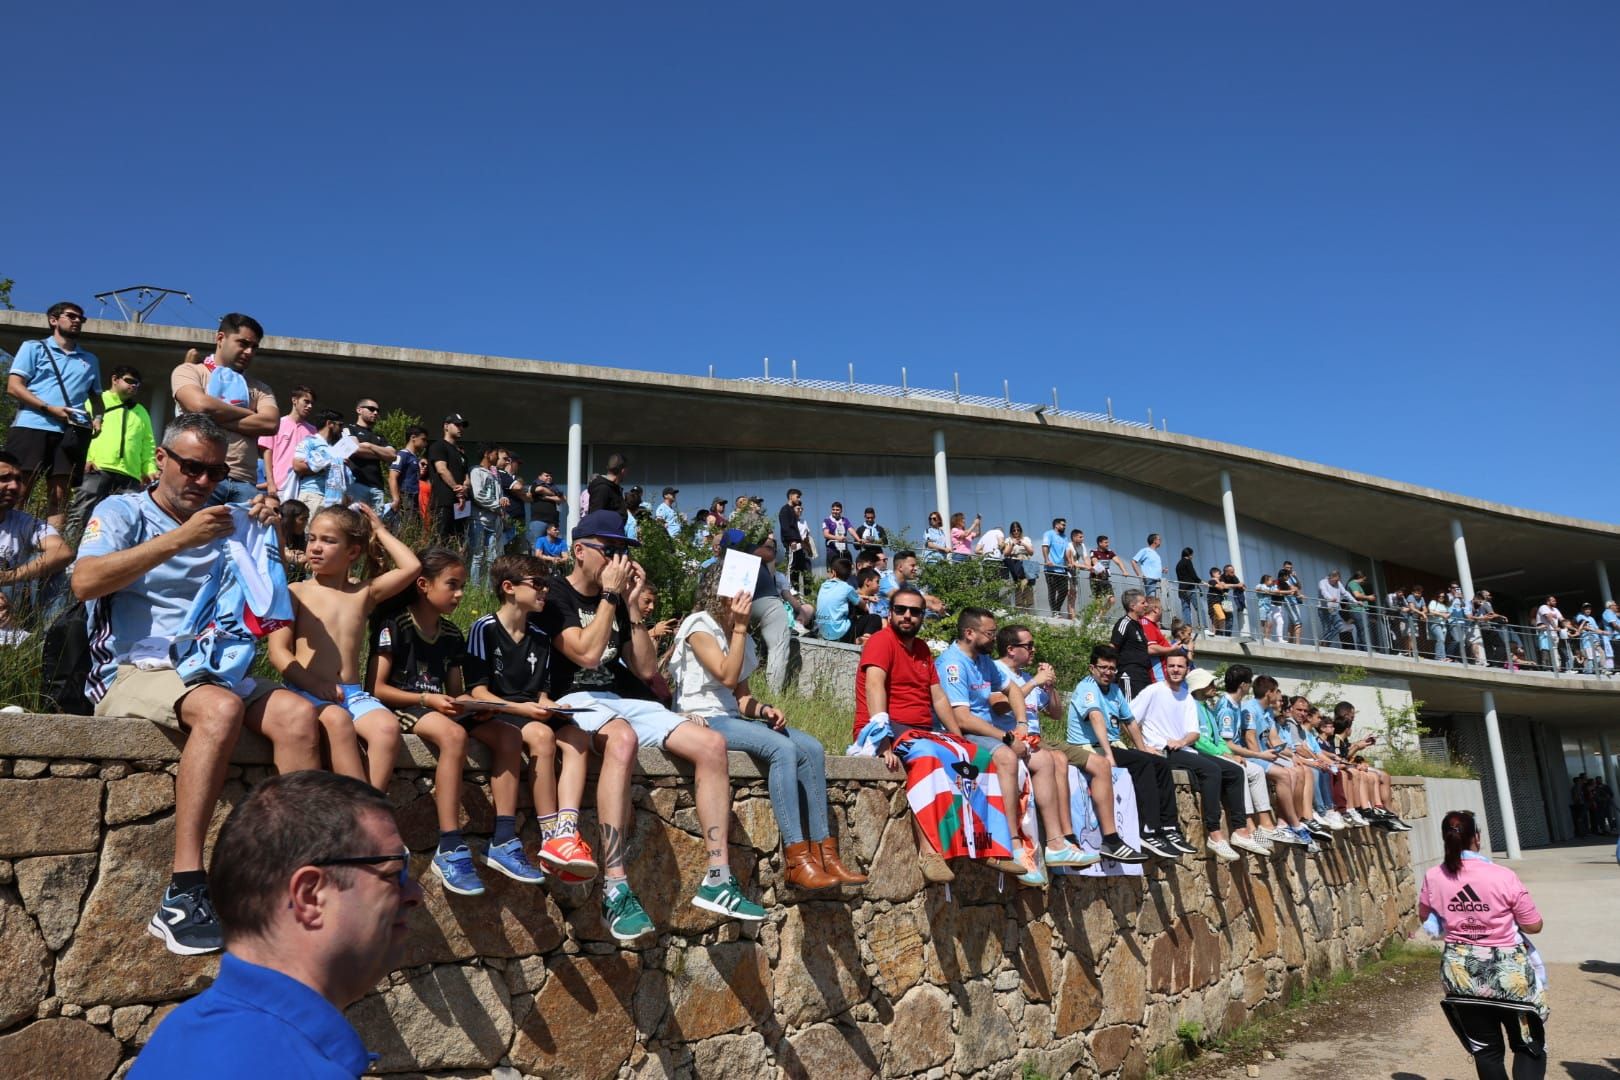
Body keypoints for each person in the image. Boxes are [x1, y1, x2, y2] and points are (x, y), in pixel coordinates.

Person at [75, 413, 322, 954]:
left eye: (214, 473)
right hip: (134, 669)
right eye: (191, 467)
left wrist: (269, 525)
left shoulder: (228, 516)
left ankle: (294, 876)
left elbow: (262, 591)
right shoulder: (123, 511)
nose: (203, 482)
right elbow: (84, 582)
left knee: (300, 714)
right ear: (160, 460)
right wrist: (179, 540)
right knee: (219, 710)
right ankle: (183, 889)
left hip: (211, 667)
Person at [539, 509, 764, 938]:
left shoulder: (617, 600)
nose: (618, 560)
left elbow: (644, 668)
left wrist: (630, 606)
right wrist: (608, 597)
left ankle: (718, 877)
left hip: (619, 699)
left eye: (623, 551)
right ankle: (615, 886)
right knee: (622, 739)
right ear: (579, 550)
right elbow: (585, 654)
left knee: (711, 744)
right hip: (570, 698)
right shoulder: (555, 595)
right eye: (610, 551)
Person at [130, 771, 423, 1079]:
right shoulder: (299, 1069)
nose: (415, 894)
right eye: (394, 873)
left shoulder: (180, 1034)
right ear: (311, 896)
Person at [672, 567, 865, 891]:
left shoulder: (741, 636)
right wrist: (741, 627)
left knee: (812, 748)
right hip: (703, 718)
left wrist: (763, 710)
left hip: (731, 716)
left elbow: (741, 696)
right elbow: (727, 676)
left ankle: (826, 854)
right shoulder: (699, 625)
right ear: (719, 593)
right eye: (737, 592)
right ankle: (796, 860)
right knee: (783, 749)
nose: (744, 600)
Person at [465, 554, 600, 887]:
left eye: (547, 584)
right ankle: (550, 834)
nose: (545, 591)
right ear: (508, 588)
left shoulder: (540, 636)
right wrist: (526, 710)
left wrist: (551, 705)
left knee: (578, 736)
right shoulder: (484, 629)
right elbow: (478, 692)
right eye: (537, 583)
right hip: (496, 714)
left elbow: (540, 692)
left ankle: (568, 827)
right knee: (541, 735)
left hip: (529, 712)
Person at [936, 608, 1094, 884]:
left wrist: (1021, 725)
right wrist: (1007, 738)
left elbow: (1011, 691)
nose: (994, 638)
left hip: (991, 730)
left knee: (1044, 759)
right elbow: (961, 718)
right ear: (969, 633)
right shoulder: (952, 663)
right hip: (965, 732)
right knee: (1008, 758)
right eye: (989, 633)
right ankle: (1013, 845)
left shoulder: (982, 660)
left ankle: (1056, 844)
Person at [268, 504, 419, 793]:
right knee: (339, 726)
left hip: (352, 694)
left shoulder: (362, 593)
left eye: (328, 540)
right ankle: (363, 816)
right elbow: (278, 652)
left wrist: (379, 530)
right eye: (312, 538)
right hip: (306, 690)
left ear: (353, 552)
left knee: (387, 728)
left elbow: (411, 567)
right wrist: (315, 684)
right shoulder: (295, 592)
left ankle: (370, 807)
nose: (315, 547)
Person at [1418, 809, 1548, 1080]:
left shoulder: (1433, 876)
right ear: (1476, 838)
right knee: (1528, 1044)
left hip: (1461, 975)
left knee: (1486, 1050)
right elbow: (1533, 925)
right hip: (1508, 975)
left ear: (1445, 839)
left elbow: (1428, 919)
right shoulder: (1502, 875)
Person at [1056, 644, 1187, 860]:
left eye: (1112, 669)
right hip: (1090, 747)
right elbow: (1096, 718)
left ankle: (1169, 826)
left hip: (1113, 744)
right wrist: (1108, 755)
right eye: (1103, 668)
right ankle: (1148, 829)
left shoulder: (1115, 690)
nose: (1108, 673)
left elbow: (1131, 722)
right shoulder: (1087, 688)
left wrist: (1144, 749)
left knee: (1159, 763)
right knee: (1142, 764)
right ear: (1092, 668)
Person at [1131, 656, 1254, 861]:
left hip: (1183, 748)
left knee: (1234, 771)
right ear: (1165, 668)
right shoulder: (1153, 691)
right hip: (1164, 750)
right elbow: (1129, 718)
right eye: (1171, 666)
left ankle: (1240, 830)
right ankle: (1214, 833)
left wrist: (1182, 740)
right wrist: (1143, 747)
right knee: (1211, 770)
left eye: (1180, 666)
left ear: (1186, 669)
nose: (1175, 670)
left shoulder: (1187, 697)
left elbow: (1194, 733)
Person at [4, 300, 103, 529]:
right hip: (32, 426)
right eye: (71, 316)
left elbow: (97, 399)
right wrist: (48, 408)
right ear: (54, 320)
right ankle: (7, 546)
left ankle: (48, 556)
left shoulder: (89, 360)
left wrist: (98, 418)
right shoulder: (33, 348)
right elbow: (14, 386)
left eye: (81, 318)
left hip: (71, 434)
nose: (77, 320)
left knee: (59, 496)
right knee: (18, 490)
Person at [171, 314, 279, 507]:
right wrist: (251, 416)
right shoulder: (190, 371)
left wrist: (209, 417)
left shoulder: (260, 388)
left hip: (245, 482)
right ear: (220, 338)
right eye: (243, 343)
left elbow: (270, 423)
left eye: (254, 347)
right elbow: (199, 405)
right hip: (200, 475)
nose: (249, 352)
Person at [1213, 665, 1300, 848]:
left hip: (1239, 754)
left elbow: (1271, 738)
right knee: (1249, 772)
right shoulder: (1228, 707)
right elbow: (1227, 743)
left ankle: (1266, 825)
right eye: (1249, 682)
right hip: (1227, 754)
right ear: (1243, 685)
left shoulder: (1236, 704)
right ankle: (1253, 828)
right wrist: (1259, 754)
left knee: (1260, 772)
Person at [68, 366, 158, 539]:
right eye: (130, 381)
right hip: (97, 469)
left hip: (130, 476)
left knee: (123, 523)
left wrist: (149, 469)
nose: (134, 386)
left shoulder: (141, 411)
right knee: (81, 516)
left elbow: (148, 443)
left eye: (137, 383)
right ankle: (67, 558)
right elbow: (79, 432)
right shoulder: (96, 401)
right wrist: (85, 459)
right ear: (115, 379)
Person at [1237, 676, 1319, 853]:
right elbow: (1250, 741)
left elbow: (1274, 739)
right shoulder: (1250, 709)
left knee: (1298, 770)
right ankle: (1295, 825)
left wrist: (1292, 755)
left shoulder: (1267, 712)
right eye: (1276, 692)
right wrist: (1266, 758)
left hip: (1266, 754)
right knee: (1285, 774)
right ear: (1269, 693)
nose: (1279, 697)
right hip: (1253, 755)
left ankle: (1284, 822)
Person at [0, 450, 74, 607]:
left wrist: (10, 576)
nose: (14, 486)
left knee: (50, 564)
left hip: (10, 609)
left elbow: (62, 552)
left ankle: (51, 629)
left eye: (18, 480)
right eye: (4, 478)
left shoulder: (25, 522)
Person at [258, 385, 316, 499]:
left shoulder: (314, 431)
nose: (309, 406)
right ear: (294, 400)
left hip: (303, 488)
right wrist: (270, 483)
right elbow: (267, 453)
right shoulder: (277, 424)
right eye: (306, 401)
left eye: (312, 404)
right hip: (278, 486)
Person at [291, 410, 350, 518]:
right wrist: (328, 464)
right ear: (329, 424)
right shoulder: (310, 441)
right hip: (314, 495)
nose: (341, 429)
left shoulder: (335, 447)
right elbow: (297, 466)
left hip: (334, 499)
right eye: (340, 425)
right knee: (309, 533)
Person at [341, 398, 396, 512]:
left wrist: (369, 446)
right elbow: (355, 449)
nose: (375, 413)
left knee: (376, 526)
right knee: (355, 524)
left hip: (377, 487)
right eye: (371, 409)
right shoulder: (349, 428)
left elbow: (392, 455)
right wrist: (381, 454)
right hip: (356, 484)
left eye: (377, 410)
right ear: (359, 410)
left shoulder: (379, 436)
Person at [426, 414, 471, 541]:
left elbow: (466, 477)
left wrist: (465, 488)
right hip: (444, 501)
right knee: (440, 540)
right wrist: (458, 489)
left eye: (462, 426)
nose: (460, 428)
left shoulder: (461, 453)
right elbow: (441, 469)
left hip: (462, 504)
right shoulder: (438, 446)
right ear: (446, 426)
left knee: (460, 541)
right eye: (457, 425)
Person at [388, 426, 429, 528]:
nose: (425, 443)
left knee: (414, 526)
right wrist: (396, 499)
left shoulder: (414, 457)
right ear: (413, 437)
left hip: (414, 497)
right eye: (423, 439)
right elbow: (392, 476)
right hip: (405, 497)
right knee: (406, 527)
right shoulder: (402, 454)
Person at [1002, 521, 1036, 609]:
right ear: (1011, 531)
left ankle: (1028, 608)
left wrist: (1023, 544)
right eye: (1014, 530)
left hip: (1026, 562)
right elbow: (1005, 553)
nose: (1016, 532)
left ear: (1021, 530)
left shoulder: (1026, 539)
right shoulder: (1008, 540)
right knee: (1018, 584)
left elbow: (1031, 552)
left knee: (1028, 585)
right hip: (1015, 562)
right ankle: (1019, 607)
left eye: (1018, 530)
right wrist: (1012, 544)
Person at [587, 452, 629, 522]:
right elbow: (595, 519)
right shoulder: (602, 489)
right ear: (623, 471)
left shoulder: (614, 488)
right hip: (604, 532)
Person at [1041, 517, 1069, 616]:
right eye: (1063, 524)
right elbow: (1045, 546)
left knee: (1064, 590)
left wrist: (1069, 562)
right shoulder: (1049, 534)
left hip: (1062, 569)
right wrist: (1047, 560)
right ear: (1056, 525)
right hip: (1050, 568)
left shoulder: (1065, 537)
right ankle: (1055, 612)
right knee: (1052, 591)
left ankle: (1057, 609)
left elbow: (1066, 552)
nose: (1064, 526)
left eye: (1065, 525)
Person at [1090, 535, 1129, 600]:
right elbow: (1095, 562)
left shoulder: (1110, 552)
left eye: (1108, 542)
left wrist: (1124, 571)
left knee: (1112, 600)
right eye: (1106, 542)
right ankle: (1099, 610)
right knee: (1098, 601)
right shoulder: (1094, 552)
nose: (1108, 544)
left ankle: (1102, 611)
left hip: (1105, 579)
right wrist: (1102, 570)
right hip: (1095, 579)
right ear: (1100, 543)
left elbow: (1118, 561)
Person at [821, 501, 854, 568]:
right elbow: (826, 535)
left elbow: (851, 530)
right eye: (833, 509)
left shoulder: (845, 520)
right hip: (832, 551)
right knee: (833, 571)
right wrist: (837, 538)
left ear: (841, 511)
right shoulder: (827, 520)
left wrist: (859, 539)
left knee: (847, 569)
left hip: (844, 550)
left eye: (837, 510)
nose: (835, 511)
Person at [1174, 547, 1200, 629]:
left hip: (1181, 589)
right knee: (1199, 607)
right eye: (1192, 555)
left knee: (1186, 608)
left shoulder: (1178, 564)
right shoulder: (1188, 561)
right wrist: (1201, 582)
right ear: (1189, 554)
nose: (1192, 557)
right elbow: (1193, 575)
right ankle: (1203, 626)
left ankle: (1188, 626)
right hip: (1190, 588)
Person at [1133, 533, 1164, 598]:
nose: (1160, 541)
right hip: (1150, 580)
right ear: (1154, 541)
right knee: (1151, 600)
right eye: (1159, 539)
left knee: (1156, 601)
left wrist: (1162, 570)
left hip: (1158, 580)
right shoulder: (1145, 551)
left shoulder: (1156, 554)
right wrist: (1139, 574)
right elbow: (1133, 561)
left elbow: (1153, 567)